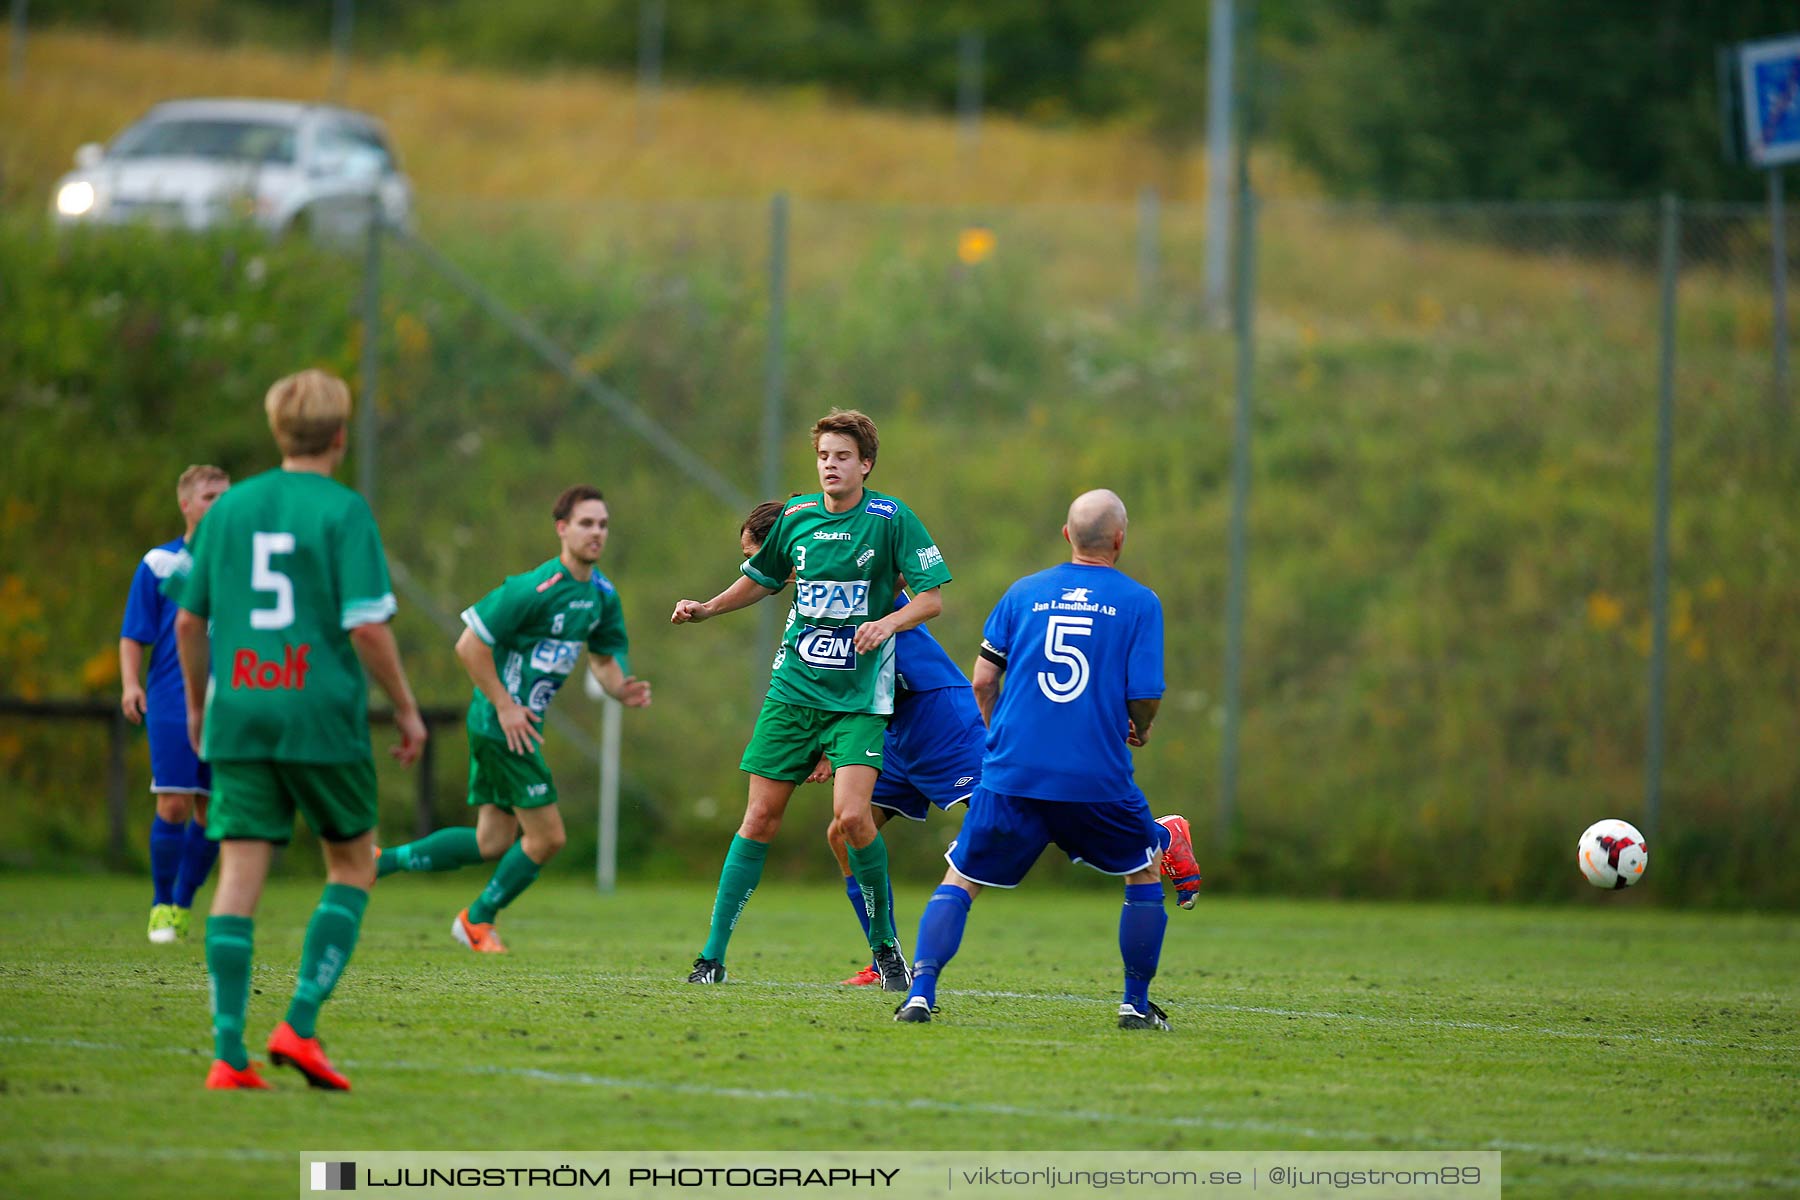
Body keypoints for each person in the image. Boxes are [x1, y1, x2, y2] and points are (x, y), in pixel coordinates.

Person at [171, 368, 427, 1090]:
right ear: (340, 437)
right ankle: (300, 1024)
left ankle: (227, 1053)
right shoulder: (344, 512)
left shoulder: (229, 510)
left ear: (277, 430)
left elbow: (189, 619)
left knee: (238, 875)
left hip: (241, 709)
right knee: (352, 865)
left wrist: (197, 706)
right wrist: (406, 709)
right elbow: (369, 627)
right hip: (317, 710)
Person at [894, 489, 1200, 1030]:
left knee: (962, 875)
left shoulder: (1024, 593)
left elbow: (984, 678)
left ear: (1067, 535)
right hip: (1096, 777)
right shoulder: (1138, 602)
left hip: (1013, 772)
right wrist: (1143, 726)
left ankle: (919, 993)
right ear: (1120, 540)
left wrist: (997, 739)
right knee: (1143, 870)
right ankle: (1134, 1004)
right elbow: (1146, 693)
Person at [672, 409, 951, 990]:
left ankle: (886, 949)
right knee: (759, 817)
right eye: (823, 455)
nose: (830, 465)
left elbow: (931, 600)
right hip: (794, 693)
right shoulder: (796, 517)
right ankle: (712, 957)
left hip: (858, 698)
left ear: (865, 464)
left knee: (851, 818)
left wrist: (889, 623)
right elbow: (761, 577)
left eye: (842, 456)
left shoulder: (890, 518)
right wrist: (709, 606)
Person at [374, 485, 652, 953]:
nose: (597, 532)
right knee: (548, 838)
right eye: (586, 523)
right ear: (562, 528)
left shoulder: (602, 596)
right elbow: (469, 645)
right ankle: (477, 919)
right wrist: (505, 706)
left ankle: (380, 863)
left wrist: (619, 687)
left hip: (513, 725)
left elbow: (604, 660)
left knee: (492, 840)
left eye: (603, 524)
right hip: (505, 726)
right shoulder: (531, 589)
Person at [121, 464, 230, 943]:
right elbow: (134, 633)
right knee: (173, 805)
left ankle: (183, 903)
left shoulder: (242, 566)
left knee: (212, 812)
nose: (219, 505)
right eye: (210, 497)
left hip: (228, 701)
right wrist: (130, 683)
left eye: (226, 497)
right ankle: (160, 904)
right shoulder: (160, 563)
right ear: (186, 505)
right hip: (170, 698)